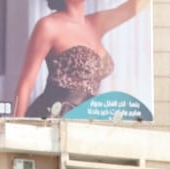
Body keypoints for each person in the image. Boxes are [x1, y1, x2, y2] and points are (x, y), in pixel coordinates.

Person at [14, 0, 152, 119]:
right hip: (53, 116)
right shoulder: (48, 26)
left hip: (86, 117)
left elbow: (135, 6)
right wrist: (15, 128)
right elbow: (25, 85)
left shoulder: (96, 23)